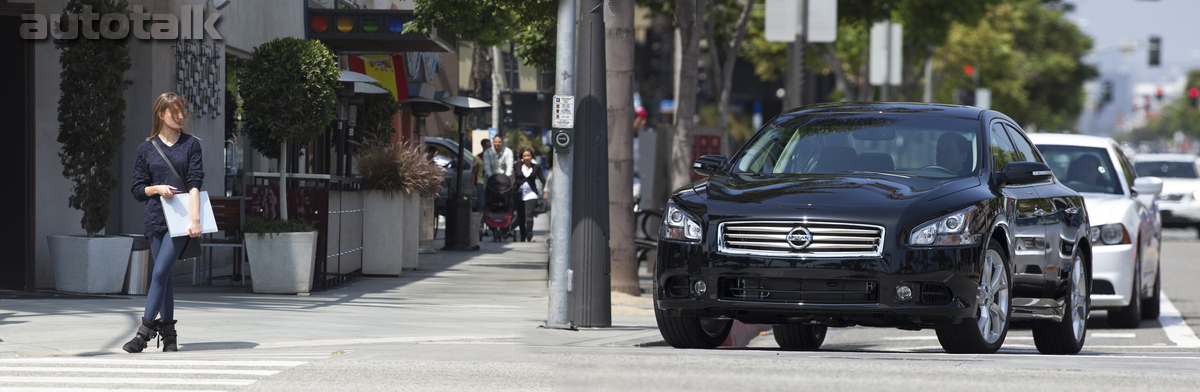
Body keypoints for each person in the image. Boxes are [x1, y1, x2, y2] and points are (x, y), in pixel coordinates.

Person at [126, 92, 203, 353]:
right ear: (161, 115)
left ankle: (144, 332)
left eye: (183, 111)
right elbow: (137, 189)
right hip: (155, 218)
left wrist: (195, 219)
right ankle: (170, 336)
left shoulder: (191, 145)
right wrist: (157, 188)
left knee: (158, 273)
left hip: (182, 219)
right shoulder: (145, 149)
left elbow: (194, 183)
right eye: (175, 112)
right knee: (165, 277)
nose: (181, 117)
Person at [512, 147, 546, 242]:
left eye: (528, 155)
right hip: (519, 194)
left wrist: (546, 190)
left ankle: (529, 234)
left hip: (531, 194)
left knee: (529, 215)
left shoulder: (536, 167)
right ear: (522, 157)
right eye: (525, 156)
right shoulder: (517, 165)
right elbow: (513, 177)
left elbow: (543, 180)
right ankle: (522, 236)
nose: (526, 157)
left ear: (531, 157)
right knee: (521, 216)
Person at [472, 138, 490, 212]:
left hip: (489, 183)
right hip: (481, 182)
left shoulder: (491, 157)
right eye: (488, 146)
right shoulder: (478, 158)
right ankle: (482, 221)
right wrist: (473, 187)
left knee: (489, 203)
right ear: (483, 146)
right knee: (481, 203)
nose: (490, 148)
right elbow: (473, 172)